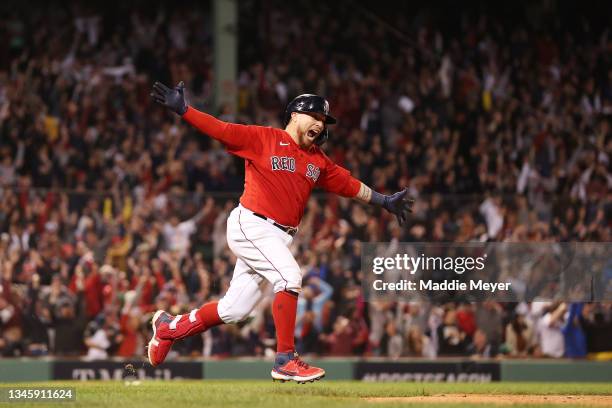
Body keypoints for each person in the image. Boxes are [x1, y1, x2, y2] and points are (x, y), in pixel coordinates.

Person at [147, 81, 414, 383]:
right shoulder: (265, 138)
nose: (320, 124)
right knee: (289, 277)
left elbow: (349, 184)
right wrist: (185, 110)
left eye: (324, 121)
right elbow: (221, 130)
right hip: (251, 223)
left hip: (279, 235)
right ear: (296, 115)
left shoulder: (317, 160)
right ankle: (285, 359)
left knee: (235, 309)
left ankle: (170, 328)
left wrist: (383, 200)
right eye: (315, 117)